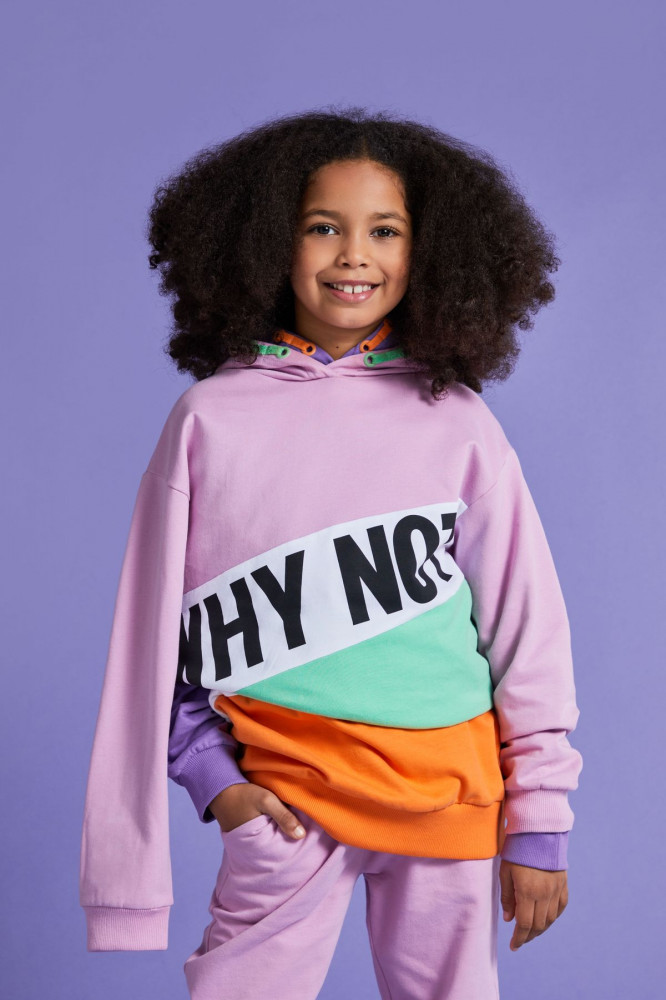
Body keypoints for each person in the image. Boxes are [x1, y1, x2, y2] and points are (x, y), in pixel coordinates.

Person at [79, 106, 583, 999]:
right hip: (284, 804)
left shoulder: (461, 424)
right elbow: (155, 644)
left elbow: (526, 631)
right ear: (269, 242)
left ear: (429, 253)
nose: (355, 255)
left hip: (449, 800)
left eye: (385, 231)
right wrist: (216, 782)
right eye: (323, 227)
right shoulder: (209, 421)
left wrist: (539, 820)